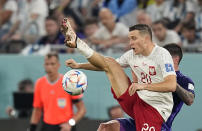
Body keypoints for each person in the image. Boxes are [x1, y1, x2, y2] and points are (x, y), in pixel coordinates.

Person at [61, 18, 176, 130]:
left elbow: (171, 85)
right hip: (137, 101)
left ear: (146, 39)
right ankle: (78, 43)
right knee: (111, 63)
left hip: (155, 110)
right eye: (129, 39)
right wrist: (79, 65)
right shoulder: (132, 54)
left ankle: (78, 43)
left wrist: (142, 86)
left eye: (134, 38)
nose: (130, 43)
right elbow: (106, 65)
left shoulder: (162, 54)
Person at [28, 52, 86, 131]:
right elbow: (37, 109)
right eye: (47, 64)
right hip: (47, 126)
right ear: (44, 66)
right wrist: (31, 128)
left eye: (52, 64)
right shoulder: (39, 83)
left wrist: (70, 123)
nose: (49, 67)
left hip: (65, 127)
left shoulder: (68, 82)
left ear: (58, 65)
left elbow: (82, 110)